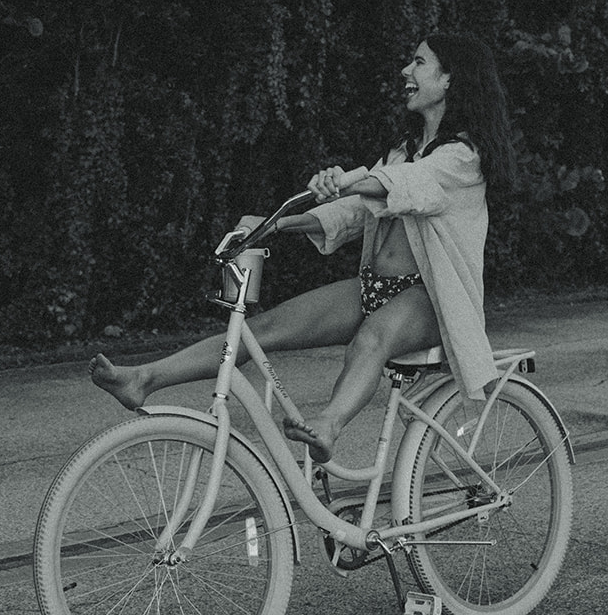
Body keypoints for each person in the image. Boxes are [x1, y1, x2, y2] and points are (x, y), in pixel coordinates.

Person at [90, 33, 516, 462]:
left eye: (419, 63)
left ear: (449, 80)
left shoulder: (464, 157)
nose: (406, 71)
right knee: (265, 329)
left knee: (371, 340)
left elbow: (406, 187)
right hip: (374, 286)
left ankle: (328, 426)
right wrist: (275, 224)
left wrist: (348, 178)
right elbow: (354, 212)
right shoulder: (404, 151)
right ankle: (144, 378)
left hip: (428, 298)